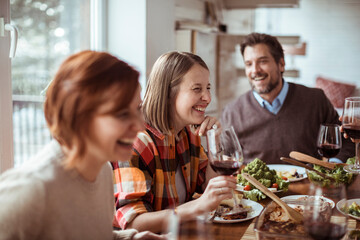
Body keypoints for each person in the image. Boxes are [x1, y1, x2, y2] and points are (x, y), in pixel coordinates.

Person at [0, 51, 164, 240]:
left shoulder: (102, 170)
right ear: (79, 117)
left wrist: (134, 238)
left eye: (137, 109)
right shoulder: (30, 190)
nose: (139, 125)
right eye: (122, 114)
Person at [111, 51, 237, 233]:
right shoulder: (137, 142)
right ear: (168, 93)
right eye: (197, 89)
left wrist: (213, 143)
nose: (208, 98)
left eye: (208, 88)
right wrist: (196, 207)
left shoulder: (187, 133)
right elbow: (133, 223)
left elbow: (209, 186)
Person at [221, 32, 354, 164]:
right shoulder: (232, 112)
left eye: (262, 61)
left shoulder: (316, 100)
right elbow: (226, 160)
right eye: (249, 64)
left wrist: (334, 165)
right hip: (254, 185)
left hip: (308, 184)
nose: (255, 70)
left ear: (281, 64)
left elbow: (345, 142)